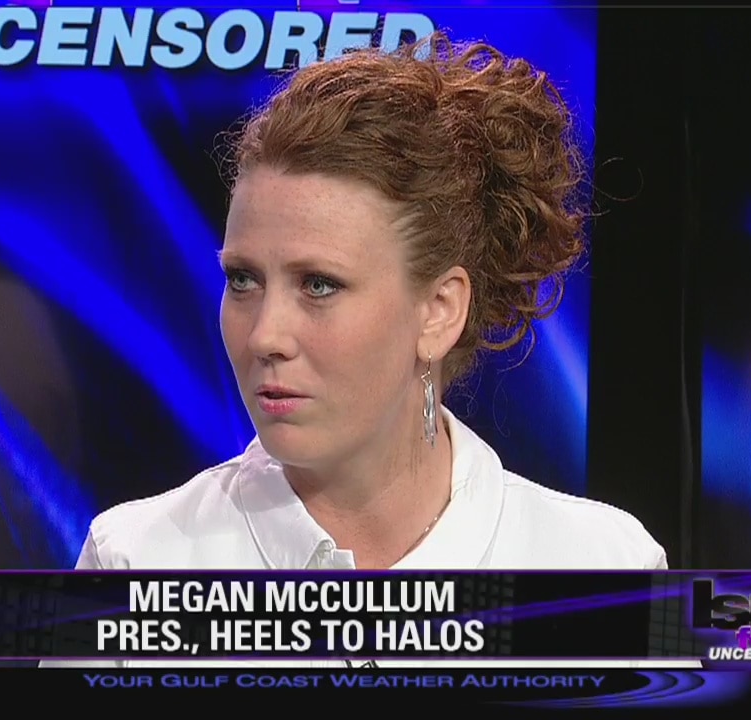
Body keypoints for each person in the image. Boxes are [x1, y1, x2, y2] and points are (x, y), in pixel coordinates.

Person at [44, 33, 691, 669]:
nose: (265, 336)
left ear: (439, 311)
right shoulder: (134, 563)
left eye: (318, 285)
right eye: (243, 280)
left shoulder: (602, 572)